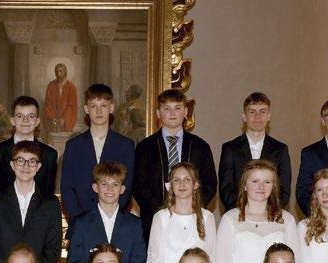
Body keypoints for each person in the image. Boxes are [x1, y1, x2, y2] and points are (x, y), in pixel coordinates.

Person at [133, 89, 217, 240]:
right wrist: (163, 212)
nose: (172, 113)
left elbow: (209, 183)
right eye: (167, 108)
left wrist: (190, 209)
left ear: (186, 111)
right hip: (155, 219)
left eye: (177, 108)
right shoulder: (145, 147)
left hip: (192, 219)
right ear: (158, 113)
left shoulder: (200, 146)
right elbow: (139, 186)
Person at [215, 159, 300, 263]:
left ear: (273, 186)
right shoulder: (230, 219)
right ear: (245, 185)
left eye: (267, 182)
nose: (261, 186)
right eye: (255, 181)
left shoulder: (286, 220)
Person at [0, 141, 63, 263]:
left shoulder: (50, 203)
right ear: (12, 165)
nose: (26, 166)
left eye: (32, 161)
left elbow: (53, 248)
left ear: (38, 166)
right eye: (20, 160)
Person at [66, 161, 146, 263]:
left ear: (122, 189)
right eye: (104, 184)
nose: (110, 189)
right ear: (95, 187)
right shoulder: (81, 223)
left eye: (115, 184)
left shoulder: (134, 224)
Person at [60, 84, 135, 219]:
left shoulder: (126, 146)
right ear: (86, 109)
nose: (99, 111)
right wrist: (81, 221)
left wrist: (111, 217)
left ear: (111, 108)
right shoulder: (73, 146)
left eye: (103, 106)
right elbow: (67, 188)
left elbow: (128, 186)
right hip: (80, 221)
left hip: (114, 220)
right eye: (93, 106)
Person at [219, 92, 292, 211]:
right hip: (238, 215)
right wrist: (246, 212)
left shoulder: (281, 149)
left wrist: (265, 213)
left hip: (270, 215)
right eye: (252, 112)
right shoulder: (230, 148)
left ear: (269, 116)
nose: (257, 117)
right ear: (244, 116)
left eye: (262, 112)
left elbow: (284, 192)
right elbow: (226, 189)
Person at [0, 96, 58, 197]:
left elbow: (48, 195)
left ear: (37, 121)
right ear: (12, 120)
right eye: (20, 116)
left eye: (31, 116)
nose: (25, 121)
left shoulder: (50, 155)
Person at [43, 63, 78, 135]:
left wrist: (63, 119)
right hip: (53, 122)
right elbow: (48, 104)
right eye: (56, 72)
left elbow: (71, 106)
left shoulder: (71, 87)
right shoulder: (51, 86)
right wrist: (53, 118)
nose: (58, 74)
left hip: (66, 121)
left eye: (60, 71)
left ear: (65, 72)